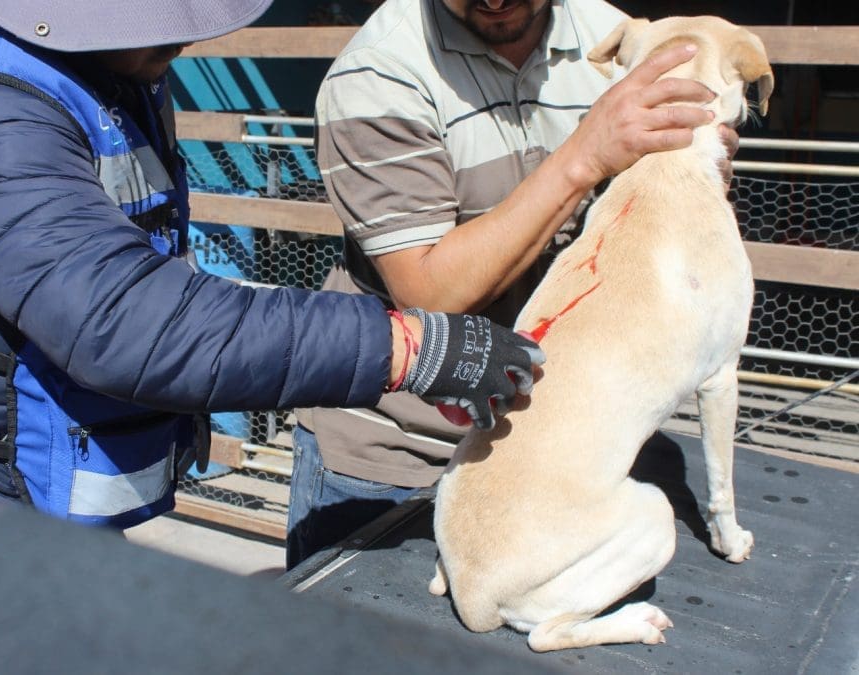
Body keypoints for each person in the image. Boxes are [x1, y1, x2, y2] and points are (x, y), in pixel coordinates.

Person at [0, 0, 545, 576]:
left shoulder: (89, 64)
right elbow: (127, 322)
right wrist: (409, 345)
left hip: (37, 507)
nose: (181, 42)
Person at [288, 0, 740, 568]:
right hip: (403, 453)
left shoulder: (614, 37)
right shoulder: (377, 75)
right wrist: (586, 154)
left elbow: (682, 175)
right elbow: (430, 296)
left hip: (555, 450)